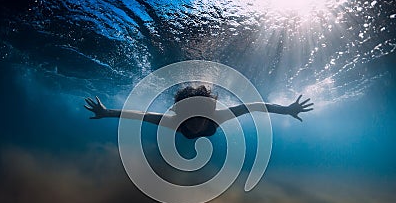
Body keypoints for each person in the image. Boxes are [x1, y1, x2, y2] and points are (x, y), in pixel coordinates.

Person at [84, 85, 313, 139]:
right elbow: (139, 116)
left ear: (209, 114)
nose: (194, 123)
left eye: (199, 117)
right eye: (188, 117)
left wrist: (286, 110)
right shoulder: (173, 121)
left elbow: (252, 107)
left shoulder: (219, 116)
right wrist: (106, 113)